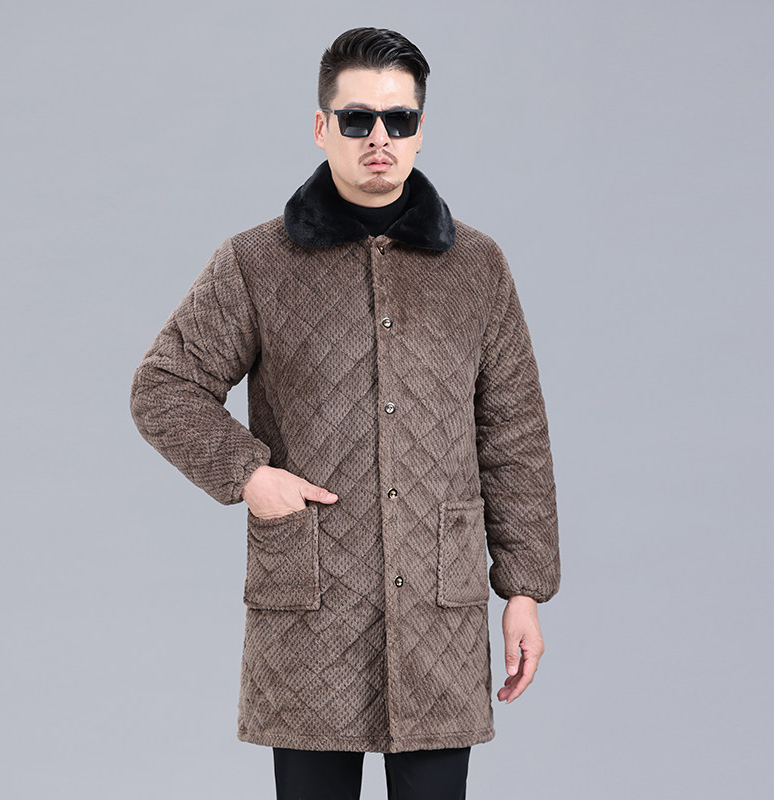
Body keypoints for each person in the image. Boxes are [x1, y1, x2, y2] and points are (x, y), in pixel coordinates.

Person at [130, 26, 560, 800]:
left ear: (421, 130)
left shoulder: (477, 267)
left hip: (437, 612)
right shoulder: (257, 262)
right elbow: (163, 386)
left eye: (399, 118)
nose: (379, 138)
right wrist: (250, 475)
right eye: (357, 118)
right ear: (321, 126)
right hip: (312, 614)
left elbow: (514, 434)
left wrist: (524, 589)